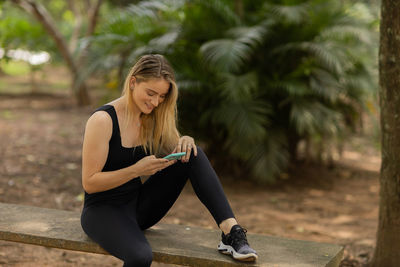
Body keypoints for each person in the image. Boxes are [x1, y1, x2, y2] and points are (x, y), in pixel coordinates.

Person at [80, 54, 258, 267]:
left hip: (139, 208)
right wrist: (136, 170)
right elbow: (90, 183)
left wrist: (186, 140)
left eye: (162, 96)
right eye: (151, 93)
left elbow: (179, 149)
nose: (155, 102)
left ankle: (231, 233)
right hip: (102, 211)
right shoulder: (102, 120)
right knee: (140, 257)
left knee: (193, 153)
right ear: (133, 82)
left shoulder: (152, 116)